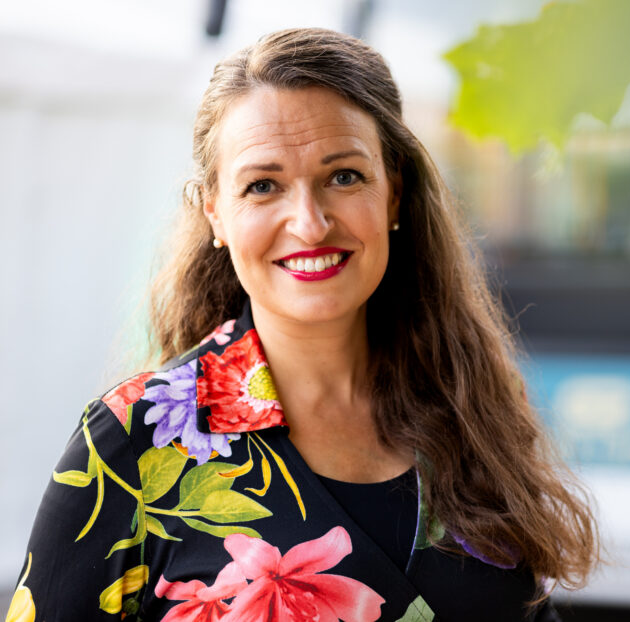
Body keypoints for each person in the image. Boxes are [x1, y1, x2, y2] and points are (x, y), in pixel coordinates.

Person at [5, 28, 598, 622]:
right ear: (216, 212)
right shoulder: (132, 445)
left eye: (344, 177)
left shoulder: (471, 403)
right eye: (263, 186)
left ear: (394, 193)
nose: (310, 224)